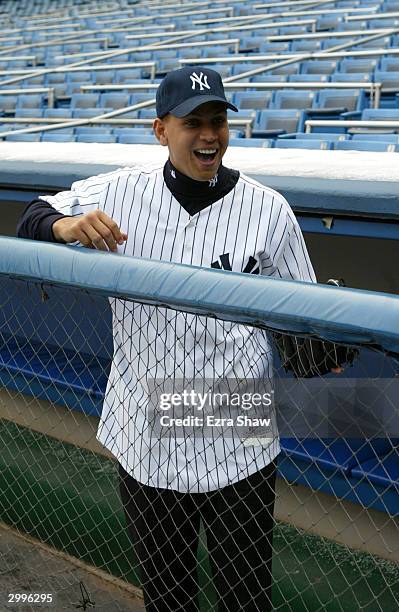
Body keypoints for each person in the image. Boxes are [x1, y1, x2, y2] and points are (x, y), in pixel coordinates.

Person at [17, 66, 318, 612]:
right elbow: (33, 214)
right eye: (193, 122)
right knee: (166, 597)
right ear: (162, 130)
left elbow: (307, 313)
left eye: (218, 120)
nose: (209, 134)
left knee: (246, 599)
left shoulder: (268, 209)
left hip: (237, 428)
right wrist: (62, 227)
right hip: (145, 429)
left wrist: (320, 353)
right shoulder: (119, 190)